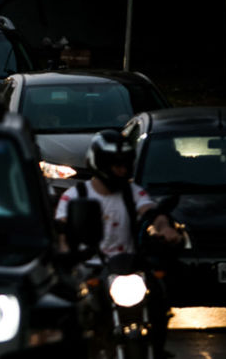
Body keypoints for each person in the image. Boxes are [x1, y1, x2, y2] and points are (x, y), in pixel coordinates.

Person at [55, 129, 183, 356]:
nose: (122, 170)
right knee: (72, 310)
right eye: (117, 165)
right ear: (101, 164)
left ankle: (157, 346)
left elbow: (152, 213)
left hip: (129, 267)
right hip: (91, 269)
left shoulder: (133, 193)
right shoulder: (75, 197)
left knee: (159, 293)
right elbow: (63, 232)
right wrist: (65, 251)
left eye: (125, 164)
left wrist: (165, 230)